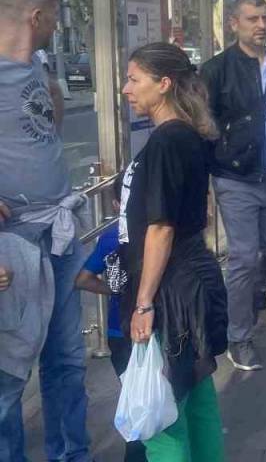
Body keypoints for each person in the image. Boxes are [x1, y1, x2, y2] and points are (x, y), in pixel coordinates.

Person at [119, 42, 229, 460]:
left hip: (170, 288)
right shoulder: (184, 134)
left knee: (161, 413)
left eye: (134, 79)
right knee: (195, 397)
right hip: (189, 279)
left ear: (163, 84)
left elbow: (161, 227)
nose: (127, 89)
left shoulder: (168, 140)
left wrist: (143, 303)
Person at [0, 0, 92, 462]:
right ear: (37, 18)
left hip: (56, 236)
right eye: (55, 18)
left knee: (67, 362)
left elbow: (45, 137)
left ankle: (71, 456)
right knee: (8, 373)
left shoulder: (38, 69)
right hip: (11, 244)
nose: (57, 27)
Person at [202, 0, 266, 371]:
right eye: (251, 19)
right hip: (236, 176)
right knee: (242, 257)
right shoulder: (216, 70)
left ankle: (256, 288)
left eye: (265, 19)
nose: (261, 26)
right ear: (233, 24)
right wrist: (204, 183)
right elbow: (202, 124)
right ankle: (238, 337)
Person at [74, 178, 147, 462]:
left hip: (120, 330)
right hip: (153, 325)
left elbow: (82, 279)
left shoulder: (111, 237)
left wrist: (115, 290)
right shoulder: (159, 232)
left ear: (117, 205)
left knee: (136, 399)